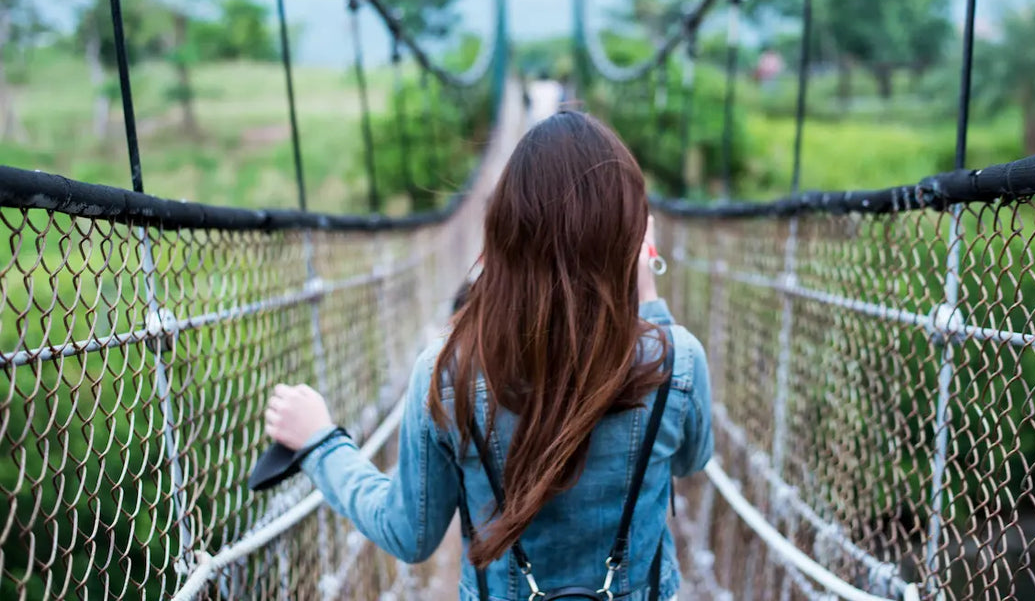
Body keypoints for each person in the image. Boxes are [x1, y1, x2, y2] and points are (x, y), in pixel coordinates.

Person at [264, 111, 713, 600]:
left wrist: (320, 444)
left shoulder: (446, 371)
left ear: (502, 233)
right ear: (630, 238)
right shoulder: (679, 362)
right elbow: (689, 460)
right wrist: (647, 300)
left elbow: (409, 535)